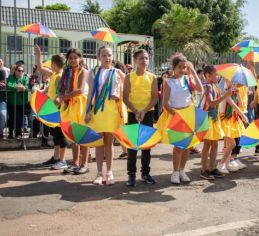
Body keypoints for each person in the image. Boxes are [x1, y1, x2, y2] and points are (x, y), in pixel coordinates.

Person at [156, 53, 203, 184]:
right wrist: (177, 116)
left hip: (188, 115)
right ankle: (175, 172)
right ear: (174, 67)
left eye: (184, 67)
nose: (182, 70)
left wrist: (193, 71)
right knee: (178, 146)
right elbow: (165, 104)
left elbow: (200, 89)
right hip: (175, 115)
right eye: (180, 67)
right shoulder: (169, 82)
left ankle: (182, 171)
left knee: (187, 146)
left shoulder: (188, 79)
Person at [85, 46, 124, 185]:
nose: (107, 58)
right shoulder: (94, 72)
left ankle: (109, 172)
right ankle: (99, 173)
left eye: (109, 55)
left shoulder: (118, 72)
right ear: (98, 57)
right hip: (97, 111)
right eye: (104, 55)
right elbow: (90, 93)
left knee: (109, 142)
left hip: (111, 111)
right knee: (99, 143)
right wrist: (87, 111)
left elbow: (126, 91)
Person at [123, 49, 158, 187]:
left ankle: (145, 173)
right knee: (132, 146)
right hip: (133, 113)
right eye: (141, 58)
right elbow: (125, 97)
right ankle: (131, 175)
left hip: (147, 113)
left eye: (146, 58)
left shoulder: (152, 77)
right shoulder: (128, 77)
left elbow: (155, 98)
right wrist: (136, 110)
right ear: (135, 61)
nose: (144, 61)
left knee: (146, 145)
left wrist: (143, 111)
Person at [55, 48, 89, 174]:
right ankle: (75, 162)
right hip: (69, 105)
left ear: (80, 58)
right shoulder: (66, 72)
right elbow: (61, 88)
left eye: (75, 57)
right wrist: (58, 97)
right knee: (74, 136)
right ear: (67, 60)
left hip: (81, 105)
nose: (73, 60)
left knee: (83, 135)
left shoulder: (83, 71)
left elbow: (80, 90)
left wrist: (63, 97)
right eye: (70, 58)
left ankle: (85, 164)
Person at [33, 45, 68, 168]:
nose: (49, 65)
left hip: (58, 109)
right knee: (56, 135)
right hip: (54, 107)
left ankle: (62, 160)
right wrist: (38, 55)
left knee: (61, 135)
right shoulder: (54, 74)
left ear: (54, 64)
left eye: (51, 63)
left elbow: (61, 92)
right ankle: (56, 157)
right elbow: (40, 68)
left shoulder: (59, 76)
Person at [198, 65, 229, 179]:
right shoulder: (206, 86)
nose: (218, 76)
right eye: (216, 74)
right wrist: (225, 96)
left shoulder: (214, 86)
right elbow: (211, 103)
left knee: (215, 144)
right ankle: (204, 170)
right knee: (207, 145)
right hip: (208, 119)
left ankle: (211, 168)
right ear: (208, 75)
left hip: (214, 119)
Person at [217, 80, 248, 174]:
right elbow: (232, 104)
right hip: (226, 120)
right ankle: (221, 164)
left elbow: (241, 105)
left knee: (230, 144)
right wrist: (243, 115)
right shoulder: (225, 90)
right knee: (232, 144)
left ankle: (226, 163)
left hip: (232, 120)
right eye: (231, 80)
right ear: (226, 80)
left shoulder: (233, 90)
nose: (234, 82)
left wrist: (238, 94)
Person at [6, 65, 29, 139]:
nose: (20, 72)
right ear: (15, 71)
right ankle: (10, 133)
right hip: (11, 102)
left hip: (21, 102)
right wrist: (18, 88)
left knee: (19, 118)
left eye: (22, 71)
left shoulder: (25, 78)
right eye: (19, 70)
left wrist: (23, 88)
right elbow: (9, 85)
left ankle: (18, 134)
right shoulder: (10, 77)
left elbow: (27, 86)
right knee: (12, 118)